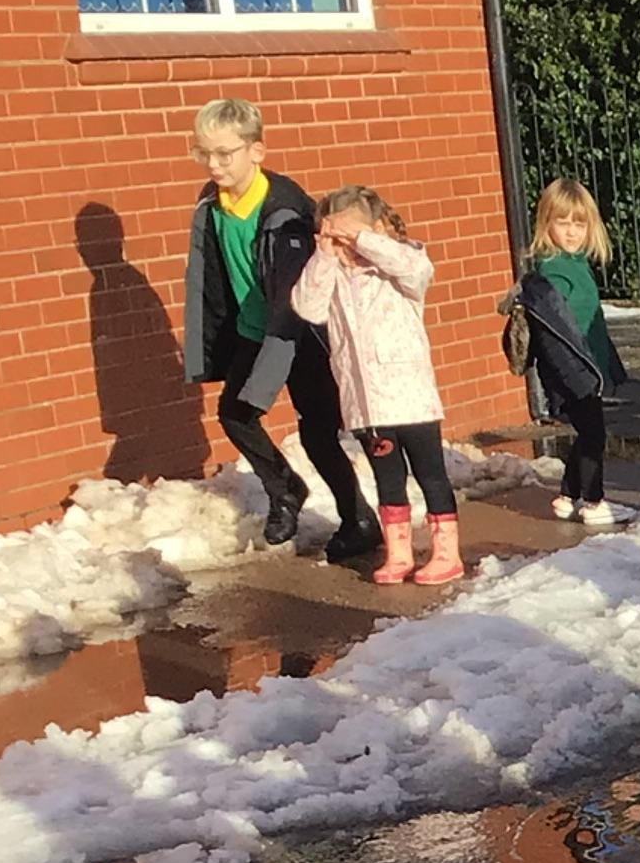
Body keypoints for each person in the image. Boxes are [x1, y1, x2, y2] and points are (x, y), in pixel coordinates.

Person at [180, 97, 379, 565]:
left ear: (256, 150)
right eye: (204, 153)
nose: (213, 164)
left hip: (299, 334)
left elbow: (295, 302)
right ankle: (285, 486)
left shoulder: (286, 211)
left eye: (224, 153)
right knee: (235, 414)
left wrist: (270, 373)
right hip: (254, 330)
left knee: (319, 431)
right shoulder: (212, 204)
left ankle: (360, 520)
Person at [288, 187, 461, 586]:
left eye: (353, 238)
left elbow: (416, 268)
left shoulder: (398, 269)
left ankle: (446, 553)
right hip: (367, 405)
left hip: (411, 398)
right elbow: (307, 306)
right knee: (388, 478)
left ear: (378, 229)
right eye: (339, 239)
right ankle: (398, 552)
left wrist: (363, 239)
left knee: (431, 474)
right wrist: (325, 255)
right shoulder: (334, 275)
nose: (349, 249)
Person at [518, 179, 628, 526]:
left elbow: (591, 322)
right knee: (594, 434)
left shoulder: (577, 264)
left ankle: (568, 496)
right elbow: (553, 330)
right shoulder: (553, 272)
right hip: (572, 369)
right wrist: (571, 375)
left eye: (579, 224)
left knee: (588, 432)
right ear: (546, 223)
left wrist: (608, 364)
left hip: (586, 367)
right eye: (562, 222)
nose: (571, 232)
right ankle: (593, 501)